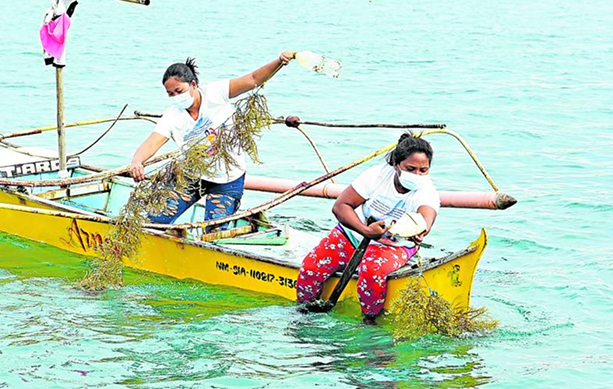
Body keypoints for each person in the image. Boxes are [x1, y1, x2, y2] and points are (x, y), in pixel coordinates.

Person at [130, 52, 295, 229]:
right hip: (191, 176)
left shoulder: (216, 93)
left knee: (213, 232)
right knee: (153, 221)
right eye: (170, 94)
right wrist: (137, 161)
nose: (176, 97)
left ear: (193, 84)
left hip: (228, 179)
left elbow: (253, 78)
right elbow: (153, 141)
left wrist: (280, 61)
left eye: (179, 91)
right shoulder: (172, 116)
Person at [295, 134, 439, 323]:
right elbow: (341, 206)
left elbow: (425, 218)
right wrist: (365, 230)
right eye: (410, 169)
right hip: (354, 234)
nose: (417, 176)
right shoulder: (376, 175)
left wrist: (420, 231)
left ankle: (370, 322)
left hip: (393, 245)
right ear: (396, 165)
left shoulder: (427, 191)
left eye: (423, 170)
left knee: (371, 272)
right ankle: (304, 315)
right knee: (311, 268)